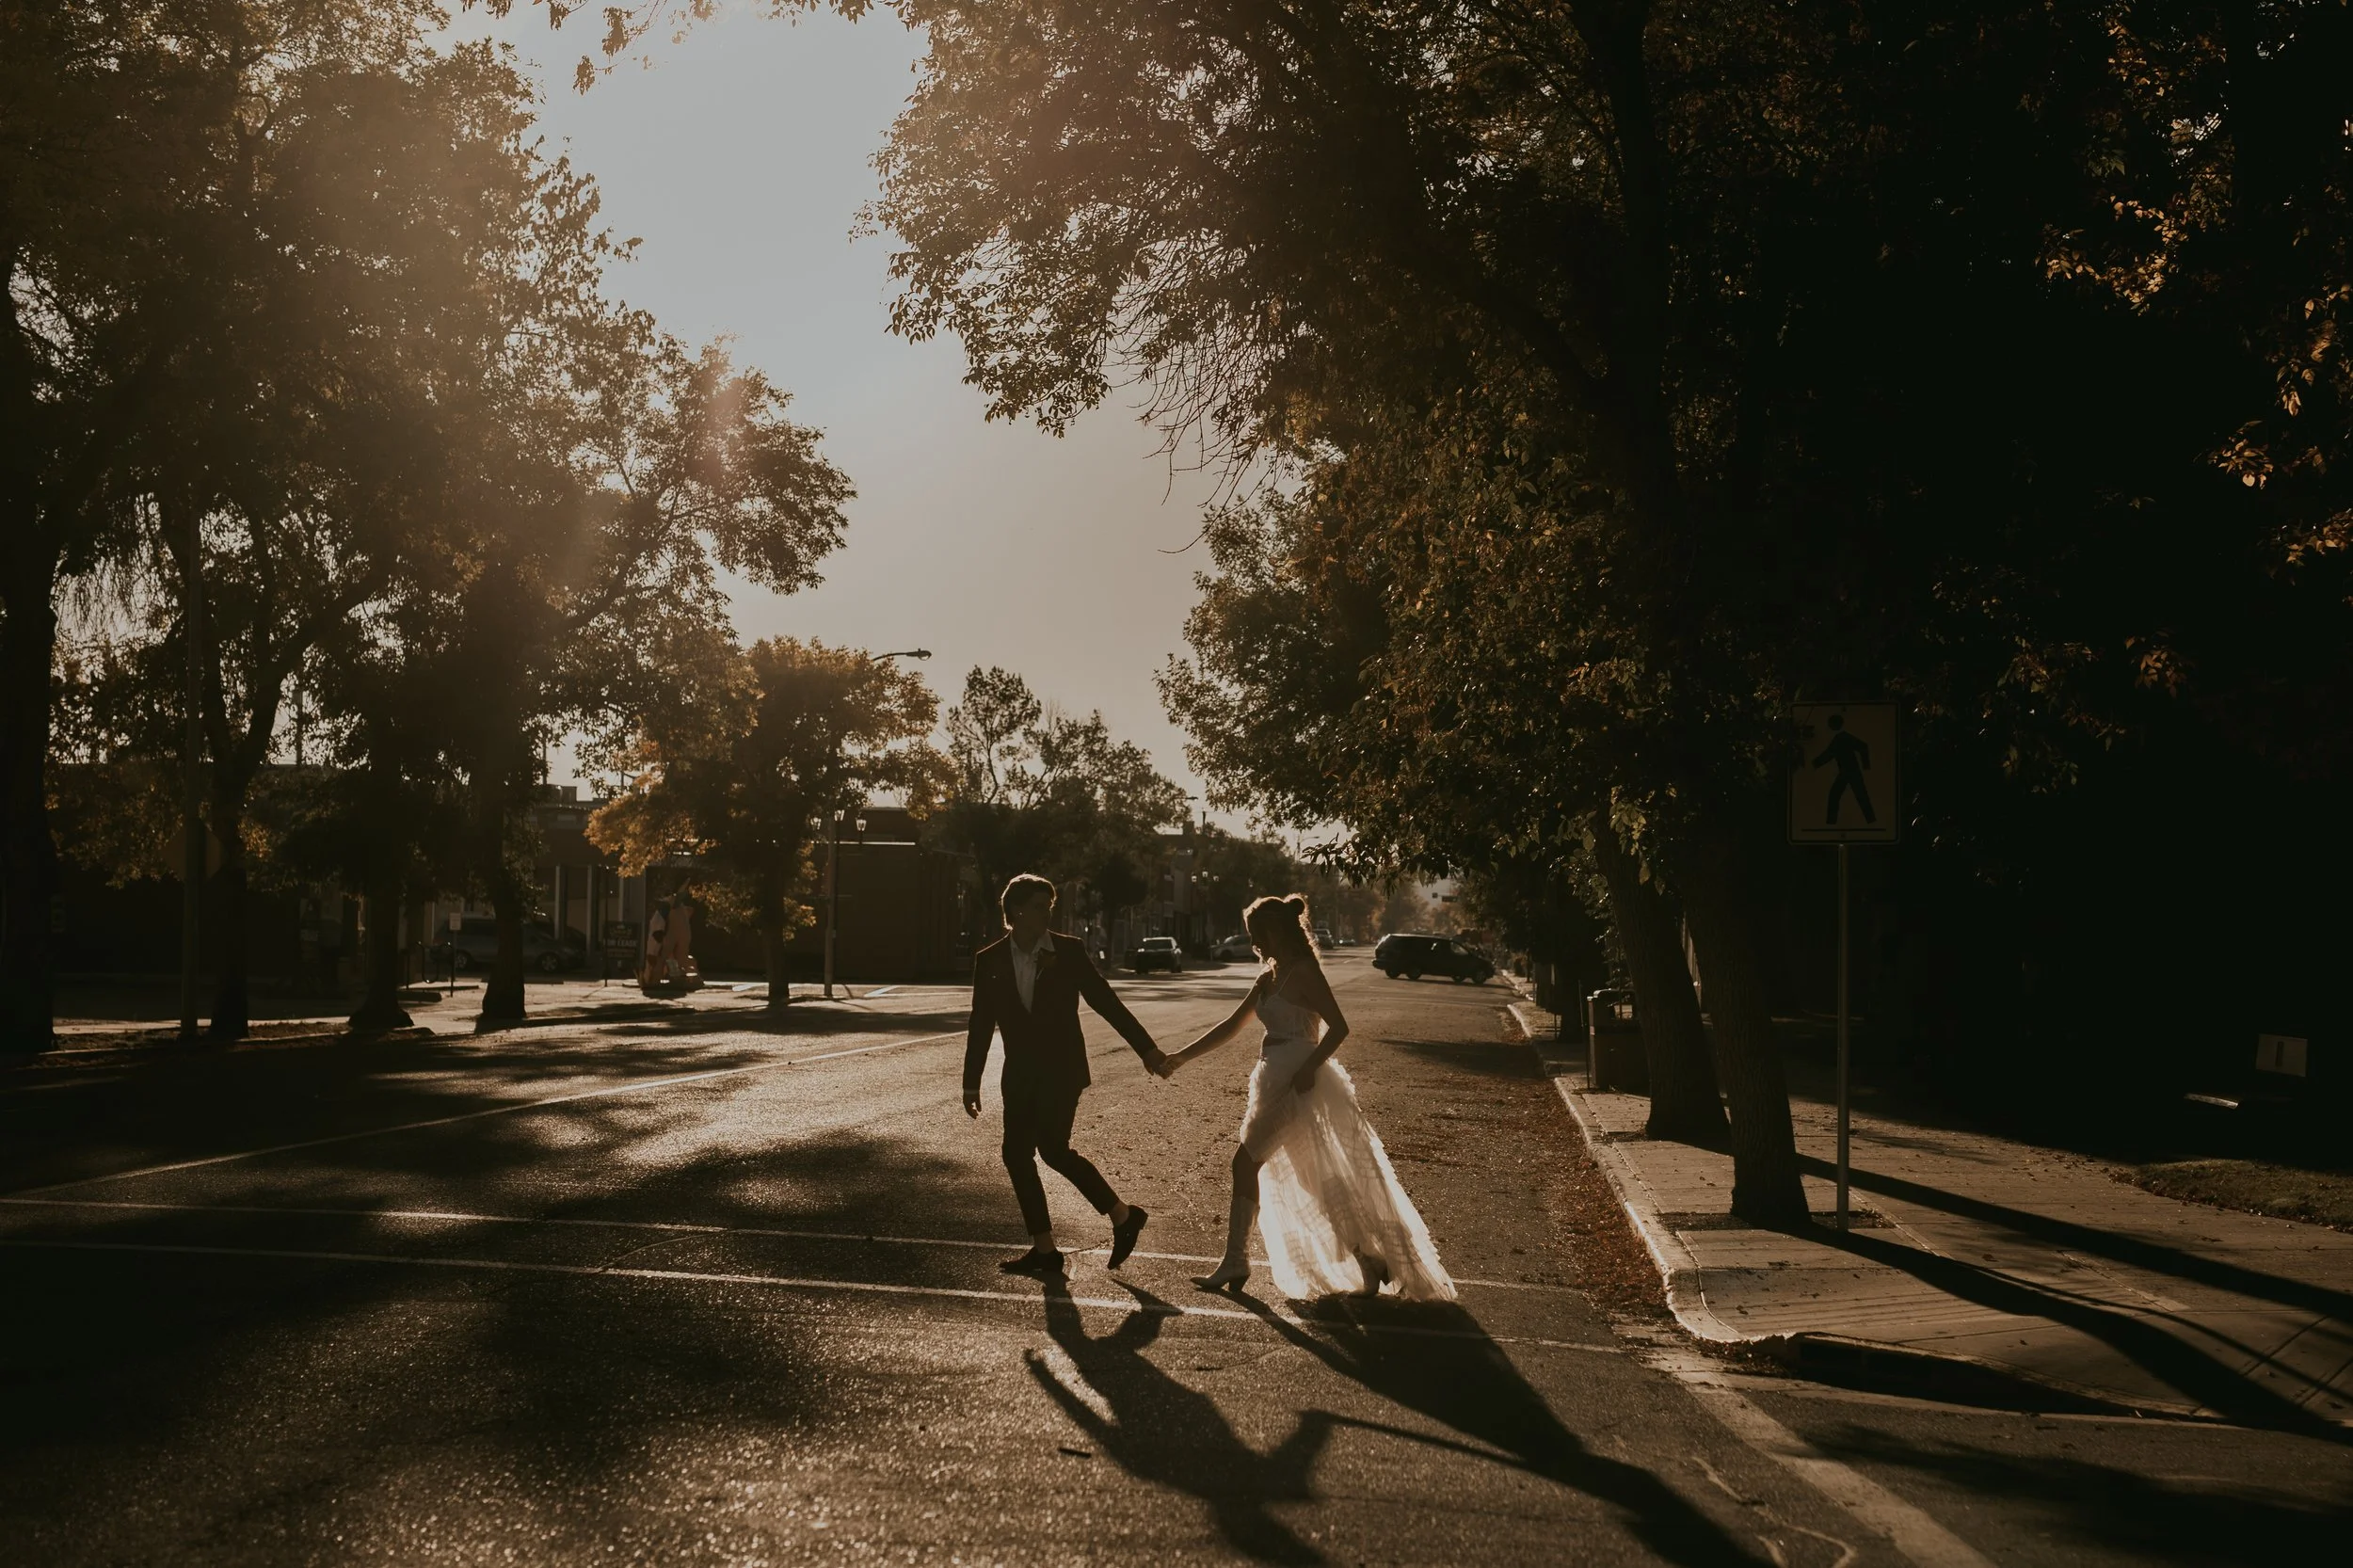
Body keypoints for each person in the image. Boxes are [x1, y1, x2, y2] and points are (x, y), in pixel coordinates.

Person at [1166, 893, 1453, 1301]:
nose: (1254, 943)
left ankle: (1236, 1260)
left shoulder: (1304, 972)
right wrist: (1179, 1057)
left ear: (1274, 931)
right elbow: (1231, 1026)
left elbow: (1338, 1027)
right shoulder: (1269, 977)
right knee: (1314, 1176)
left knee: (1245, 1162)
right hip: (1272, 1077)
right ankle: (1368, 1259)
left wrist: (1308, 1068)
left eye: (1256, 934)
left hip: (1300, 1080)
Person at [964, 873, 1173, 1277]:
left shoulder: (1069, 952)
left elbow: (1107, 1003)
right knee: (1016, 1156)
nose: (1049, 914)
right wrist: (971, 1081)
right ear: (1017, 911)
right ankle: (1047, 1250)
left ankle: (1122, 1216)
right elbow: (980, 1023)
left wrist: (1146, 1050)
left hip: (1062, 1071)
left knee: (1054, 1150)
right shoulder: (989, 960)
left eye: (1050, 907)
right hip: (1020, 1074)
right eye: (1041, 906)